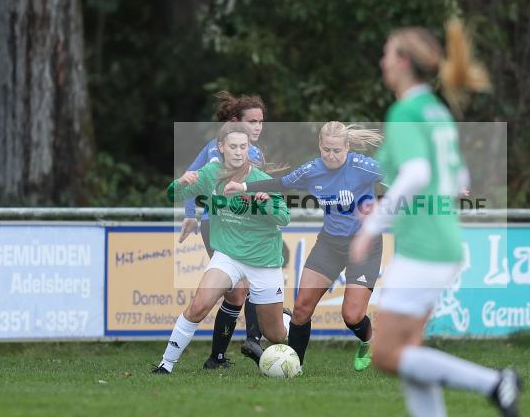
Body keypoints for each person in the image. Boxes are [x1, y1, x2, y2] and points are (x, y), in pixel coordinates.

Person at [348, 20, 520, 417]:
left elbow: (418, 174)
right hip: (442, 241)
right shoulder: (436, 111)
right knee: (407, 353)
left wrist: (372, 227)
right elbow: (458, 179)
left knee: (386, 353)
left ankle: (493, 383)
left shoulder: (405, 112)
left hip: (424, 247)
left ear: (403, 63)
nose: (382, 62)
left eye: (387, 54)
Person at [224, 121, 384, 370]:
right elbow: (281, 184)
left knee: (352, 316)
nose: (331, 156)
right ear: (320, 146)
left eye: (337, 151)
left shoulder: (364, 167)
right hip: (330, 244)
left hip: (365, 246)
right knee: (300, 309)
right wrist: (243, 186)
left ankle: (369, 341)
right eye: (326, 149)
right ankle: (294, 366)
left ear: (347, 148)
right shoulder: (311, 170)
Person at [152, 122, 290, 374]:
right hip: (227, 256)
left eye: (244, 147)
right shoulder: (210, 173)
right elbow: (174, 194)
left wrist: (267, 204)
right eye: (233, 146)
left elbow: (284, 218)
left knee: (276, 335)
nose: (239, 152)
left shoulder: (261, 181)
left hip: (263, 260)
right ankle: (166, 364)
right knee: (198, 305)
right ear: (221, 147)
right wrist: (179, 183)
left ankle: (286, 318)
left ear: (249, 148)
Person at [178, 91, 266, 369]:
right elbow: (190, 179)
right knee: (238, 288)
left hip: (243, 229)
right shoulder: (218, 149)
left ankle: (219, 357)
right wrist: (190, 215)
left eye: (261, 122)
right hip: (217, 226)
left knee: (238, 292)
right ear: (235, 122)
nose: (257, 127)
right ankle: (251, 340)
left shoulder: (256, 153)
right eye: (251, 121)